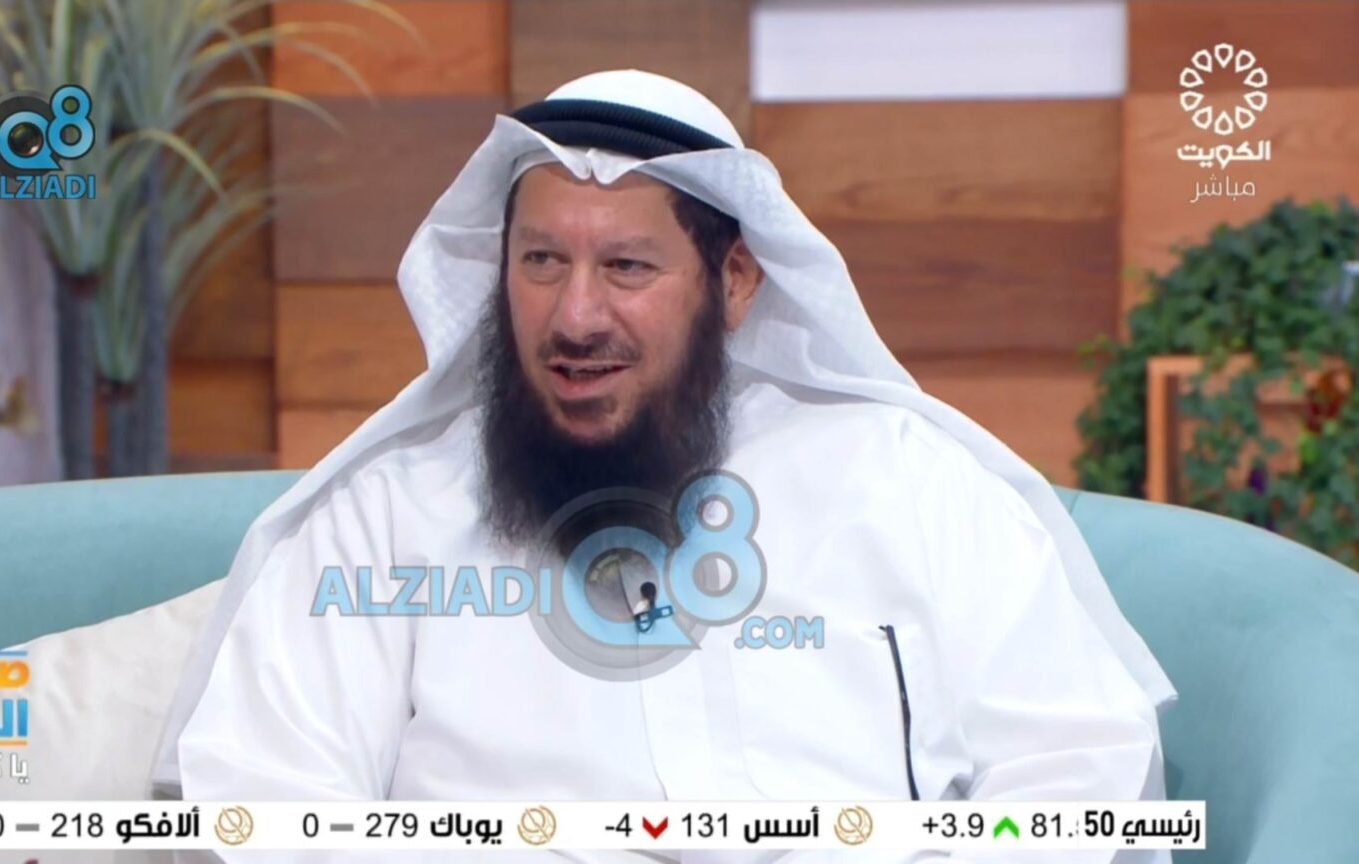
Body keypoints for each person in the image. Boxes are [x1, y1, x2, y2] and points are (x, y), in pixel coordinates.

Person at [153, 69, 1176, 863]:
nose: (575, 316)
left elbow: (1079, 765)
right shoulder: (386, 516)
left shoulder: (904, 479)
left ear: (735, 281)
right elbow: (260, 797)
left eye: (627, 267)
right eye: (541, 261)